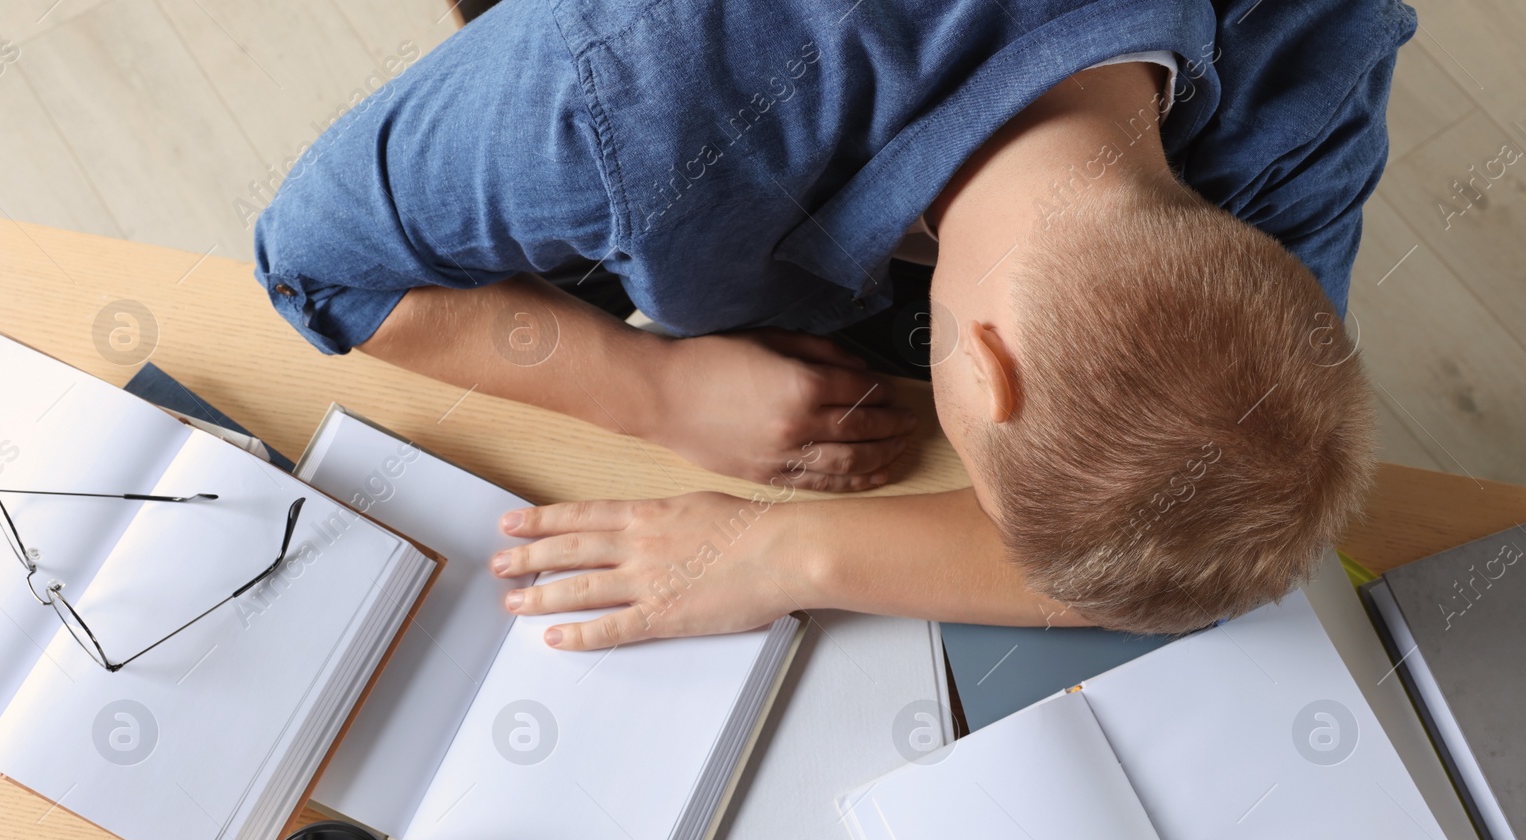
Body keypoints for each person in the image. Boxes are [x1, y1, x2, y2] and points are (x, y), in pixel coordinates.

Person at [254, 0, 1410, 651]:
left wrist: (787, 550)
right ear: (988, 370)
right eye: (991, 497)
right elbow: (313, 262)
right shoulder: (640, 96)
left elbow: (1201, 535)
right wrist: (646, 391)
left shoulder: (1316, 62)